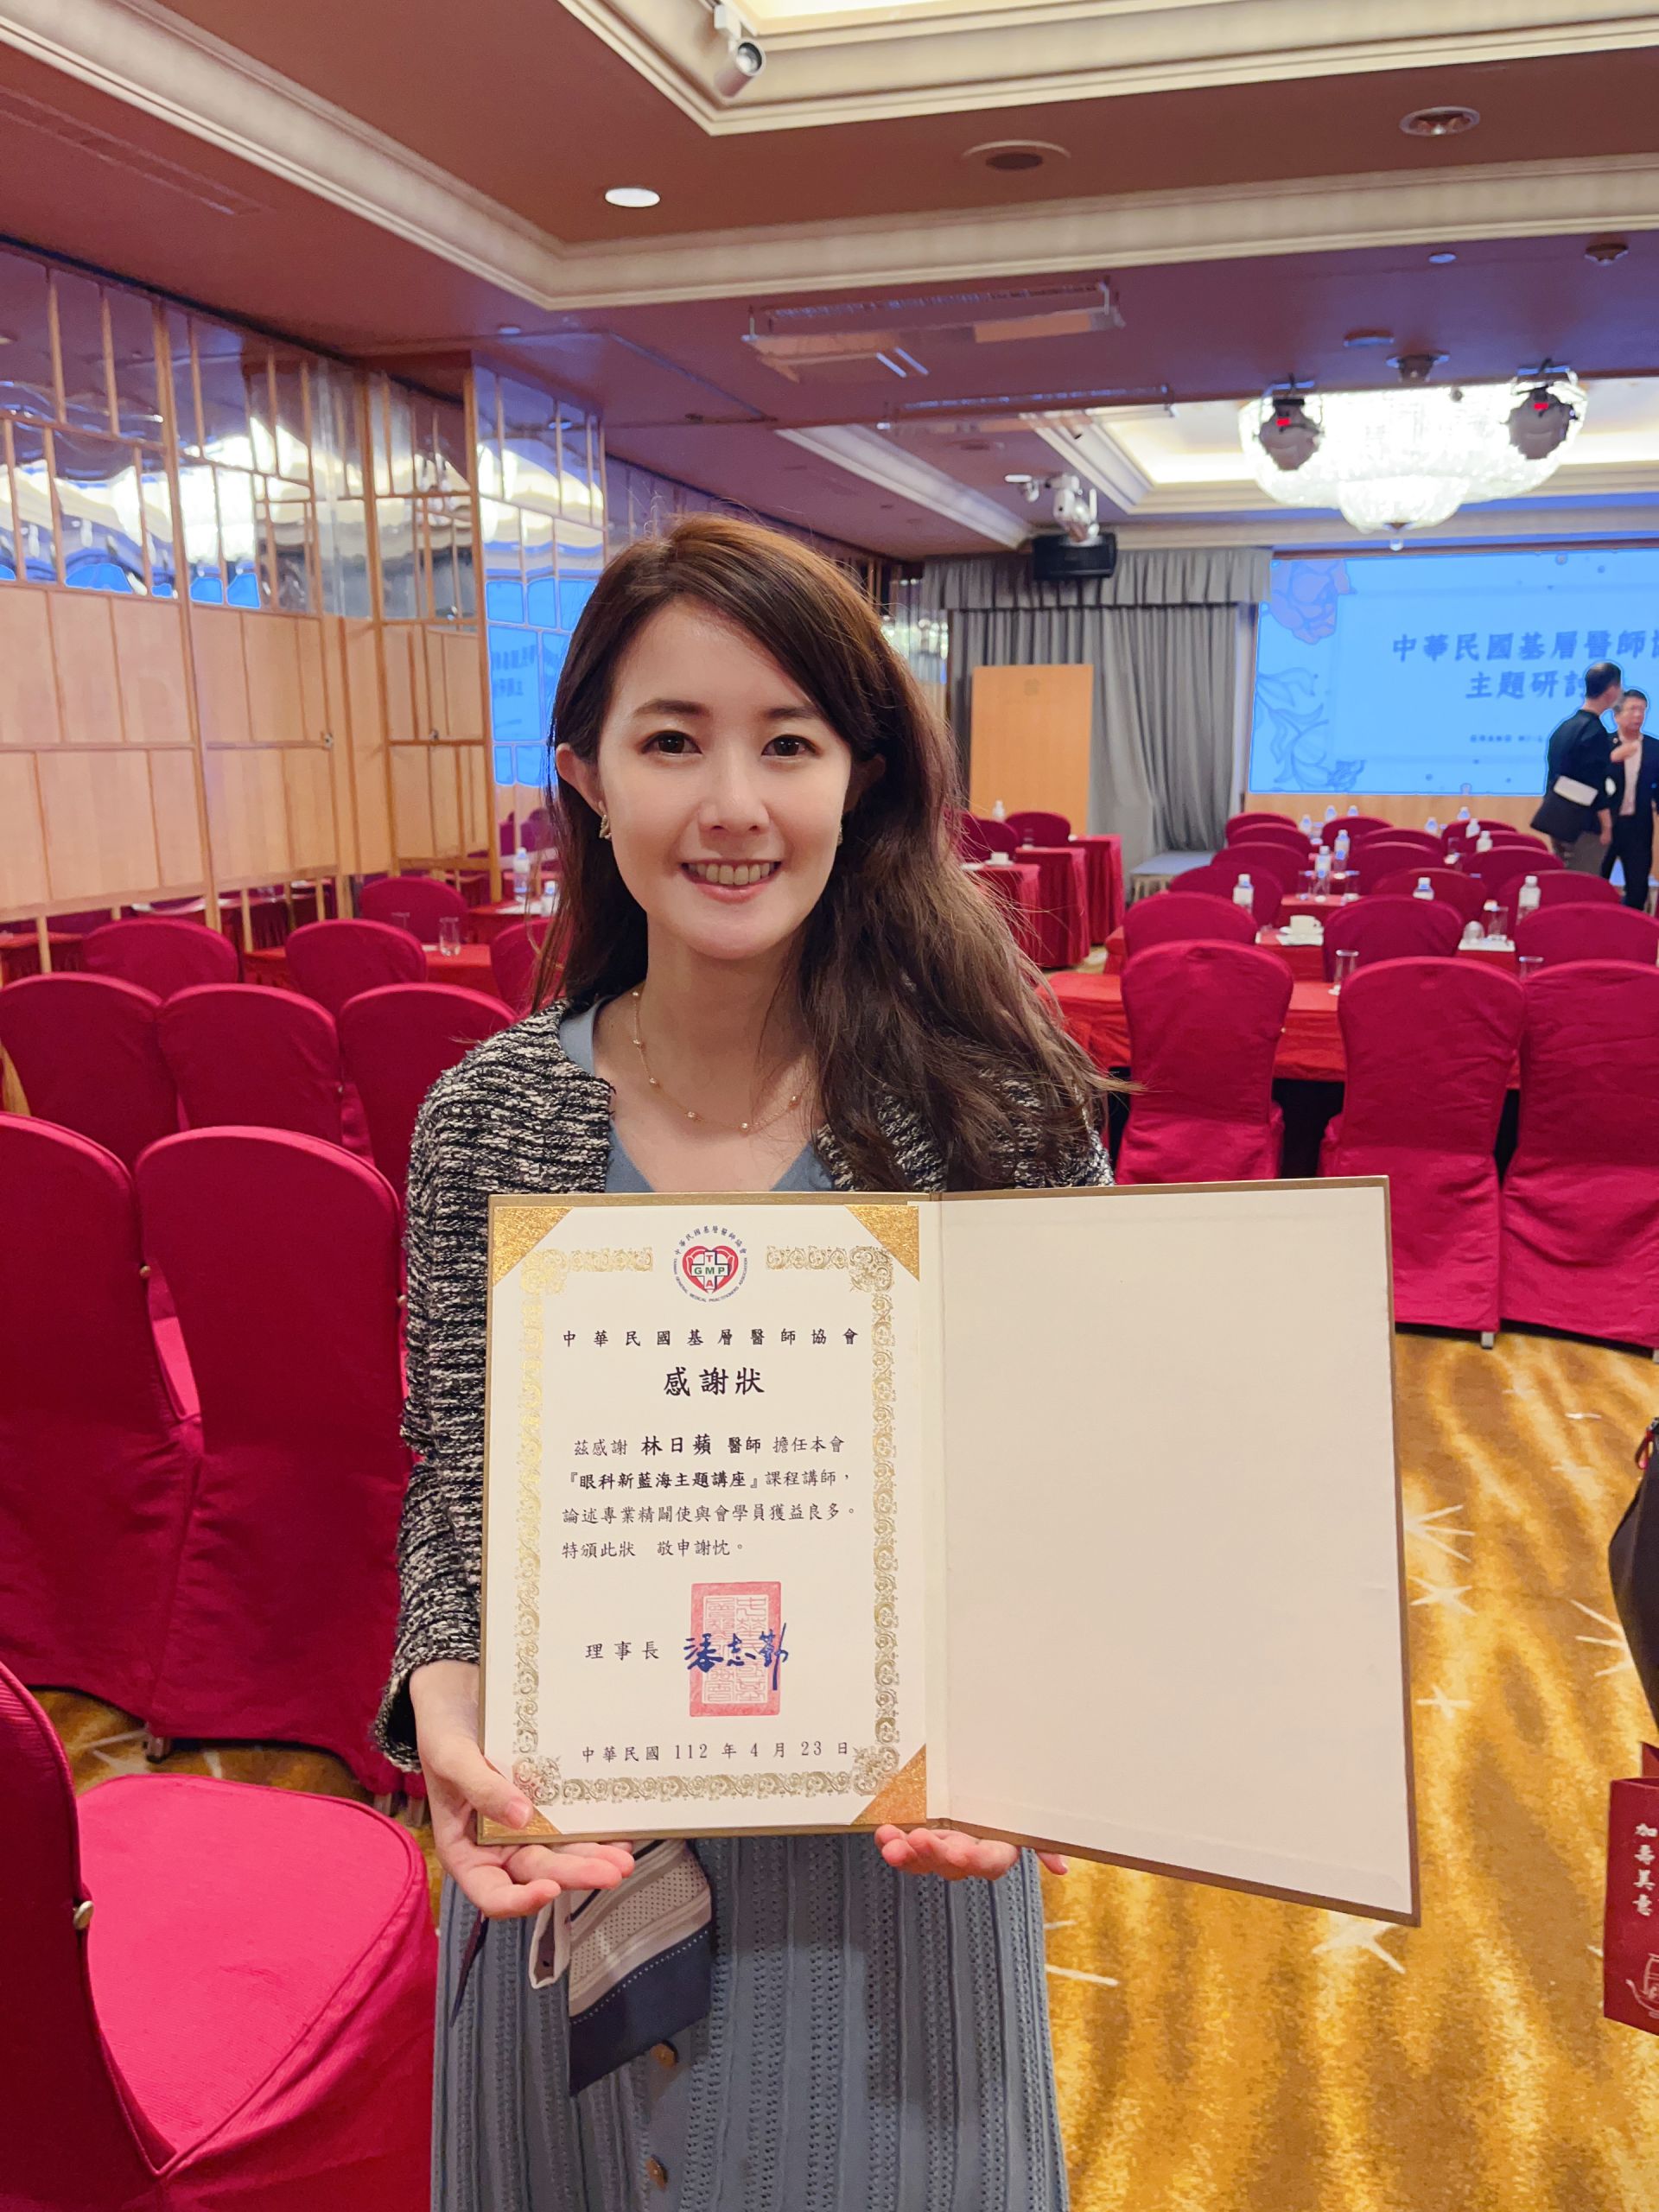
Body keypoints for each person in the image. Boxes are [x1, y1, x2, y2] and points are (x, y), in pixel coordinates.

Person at [377, 516, 1115, 2212]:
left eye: (787, 742)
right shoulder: (489, 1115)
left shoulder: (998, 1117)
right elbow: (452, 1485)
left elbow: (1076, 1501)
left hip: (890, 1897)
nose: (732, 803)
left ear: (861, 777)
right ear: (585, 778)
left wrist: (1052, 1727)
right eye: (671, 741)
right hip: (575, 1866)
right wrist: (443, 1696)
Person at [1541, 660, 1621, 872]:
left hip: (1558, 818)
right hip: (1584, 824)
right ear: (1611, 691)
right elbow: (1595, 782)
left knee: (1562, 877)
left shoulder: (1565, 727)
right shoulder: (1594, 731)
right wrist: (1607, 825)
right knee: (1583, 881)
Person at [1603, 688, 1659, 911]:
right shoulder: (1603, 745)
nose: (1638, 715)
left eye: (1642, 710)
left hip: (1638, 826)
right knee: (1597, 881)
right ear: (1616, 715)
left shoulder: (1654, 748)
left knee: (1637, 890)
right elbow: (1591, 777)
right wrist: (1611, 759)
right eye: (1633, 709)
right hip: (1605, 825)